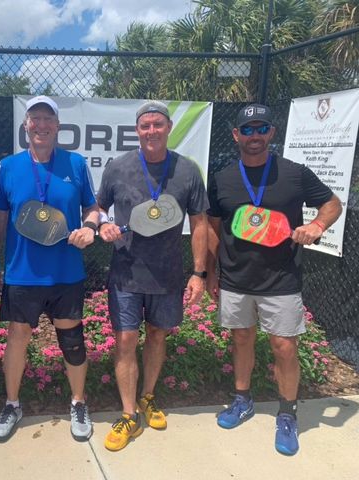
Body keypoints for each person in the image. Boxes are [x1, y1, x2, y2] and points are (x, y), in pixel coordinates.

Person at [206, 103, 342, 456]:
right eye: (247, 130)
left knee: (284, 347)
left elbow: (332, 204)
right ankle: (242, 400)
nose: (254, 136)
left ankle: (287, 413)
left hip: (281, 278)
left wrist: (316, 226)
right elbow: (213, 228)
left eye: (261, 128)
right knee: (241, 340)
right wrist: (209, 272)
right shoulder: (222, 178)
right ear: (236, 135)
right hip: (236, 279)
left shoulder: (295, 173)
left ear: (271, 133)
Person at [96, 100, 209, 451]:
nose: (151, 131)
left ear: (169, 126)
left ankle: (148, 396)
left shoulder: (188, 170)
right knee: (127, 341)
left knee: (157, 337)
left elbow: (200, 222)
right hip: (126, 274)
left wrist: (200, 273)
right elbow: (99, 208)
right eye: (145, 125)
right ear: (137, 130)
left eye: (157, 125)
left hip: (168, 275)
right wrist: (104, 226)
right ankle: (129, 414)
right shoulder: (117, 168)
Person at [0, 95, 99, 443]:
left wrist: (90, 227)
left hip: (65, 273)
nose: (41, 125)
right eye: (34, 118)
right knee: (17, 339)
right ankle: (12, 404)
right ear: (25, 126)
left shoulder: (76, 164)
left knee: (72, 340)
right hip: (22, 274)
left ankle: (79, 402)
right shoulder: (7, 167)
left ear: (57, 126)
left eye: (47, 119)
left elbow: (93, 208)